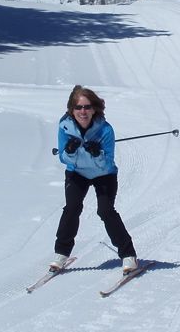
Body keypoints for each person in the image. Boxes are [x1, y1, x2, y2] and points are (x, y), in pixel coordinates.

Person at [50, 85, 138, 274]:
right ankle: (61, 253)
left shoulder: (105, 130)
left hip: (103, 175)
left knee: (106, 211)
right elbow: (63, 157)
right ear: (71, 110)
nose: (83, 111)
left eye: (87, 107)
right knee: (72, 208)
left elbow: (107, 163)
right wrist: (71, 151)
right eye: (78, 107)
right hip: (77, 173)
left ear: (94, 108)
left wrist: (96, 153)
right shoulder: (65, 126)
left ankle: (128, 255)